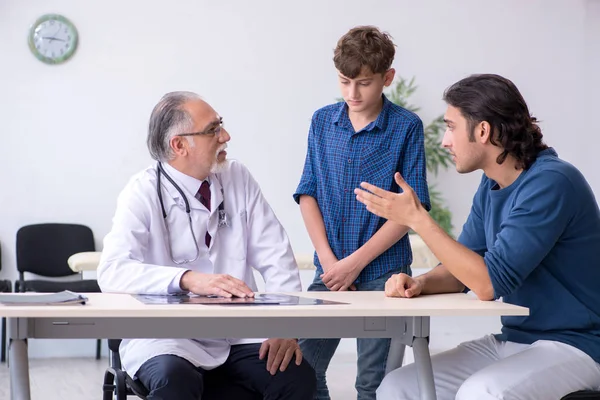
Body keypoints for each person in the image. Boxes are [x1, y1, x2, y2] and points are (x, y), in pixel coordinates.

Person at [355, 74, 600, 400]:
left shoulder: (552, 183)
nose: (445, 141)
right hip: (516, 338)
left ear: (482, 131)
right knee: (397, 387)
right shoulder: (491, 185)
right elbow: (462, 270)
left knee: (482, 392)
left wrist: (417, 219)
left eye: (452, 127)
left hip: (577, 345)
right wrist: (421, 284)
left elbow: (487, 284)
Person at [98, 91, 316, 400]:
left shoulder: (237, 177)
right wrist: (188, 279)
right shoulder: (142, 191)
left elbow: (277, 256)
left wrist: (283, 327)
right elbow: (112, 271)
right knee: (175, 381)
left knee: (295, 377)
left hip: (238, 336)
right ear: (179, 145)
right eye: (213, 129)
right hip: (168, 339)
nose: (225, 136)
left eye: (221, 125)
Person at [293, 26, 430, 400]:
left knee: (373, 384)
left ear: (387, 78)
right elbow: (308, 194)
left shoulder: (406, 127)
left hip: (386, 279)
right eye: (344, 82)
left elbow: (410, 212)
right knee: (301, 370)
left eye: (364, 83)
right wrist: (330, 262)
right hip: (330, 271)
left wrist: (354, 264)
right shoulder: (322, 122)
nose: (353, 93)